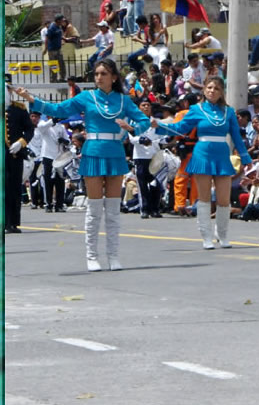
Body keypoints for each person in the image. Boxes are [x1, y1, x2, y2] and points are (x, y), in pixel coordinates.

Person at [15, 59, 151, 271]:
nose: (98, 77)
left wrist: (131, 127)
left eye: (103, 73)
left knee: (114, 210)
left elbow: (143, 121)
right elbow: (59, 108)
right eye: (96, 74)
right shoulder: (87, 97)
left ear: (113, 77)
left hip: (114, 152)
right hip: (93, 151)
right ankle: (92, 255)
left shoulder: (124, 100)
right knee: (95, 208)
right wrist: (31, 98)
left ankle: (113, 256)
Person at [154, 76, 252, 249]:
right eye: (209, 88)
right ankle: (206, 235)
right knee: (204, 198)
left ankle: (222, 234)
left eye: (216, 88)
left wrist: (246, 158)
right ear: (204, 90)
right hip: (202, 154)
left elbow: (236, 136)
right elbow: (181, 128)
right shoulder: (196, 109)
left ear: (222, 92)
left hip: (222, 154)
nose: (212, 91)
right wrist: (159, 125)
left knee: (223, 199)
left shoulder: (228, 112)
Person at [122, 98, 163, 219]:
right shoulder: (134, 122)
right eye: (143, 105)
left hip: (154, 156)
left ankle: (155, 209)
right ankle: (144, 209)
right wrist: (141, 140)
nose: (146, 107)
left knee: (156, 183)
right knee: (142, 184)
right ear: (139, 108)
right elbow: (131, 138)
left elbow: (161, 137)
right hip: (140, 157)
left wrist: (162, 141)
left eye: (148, 105)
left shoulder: (156, 122)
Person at [5, 76, 34, 234]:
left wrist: (21, 143)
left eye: (7, 88)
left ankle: (13, 223)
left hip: (15, 154)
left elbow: (30, 130)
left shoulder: (19, 109)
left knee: (14, 188)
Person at [43, 14, 66, 82]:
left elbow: (59, 36)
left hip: (58, 49)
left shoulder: (59, 27)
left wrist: (63, 40)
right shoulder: (52, 27)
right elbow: (47, 38)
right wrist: (45, 49)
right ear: (58, 20)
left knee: (61, 63)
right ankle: (53, 79)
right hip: (52, 50)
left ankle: (62, 78)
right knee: (53, 64)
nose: (63, 21)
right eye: (62, 20)